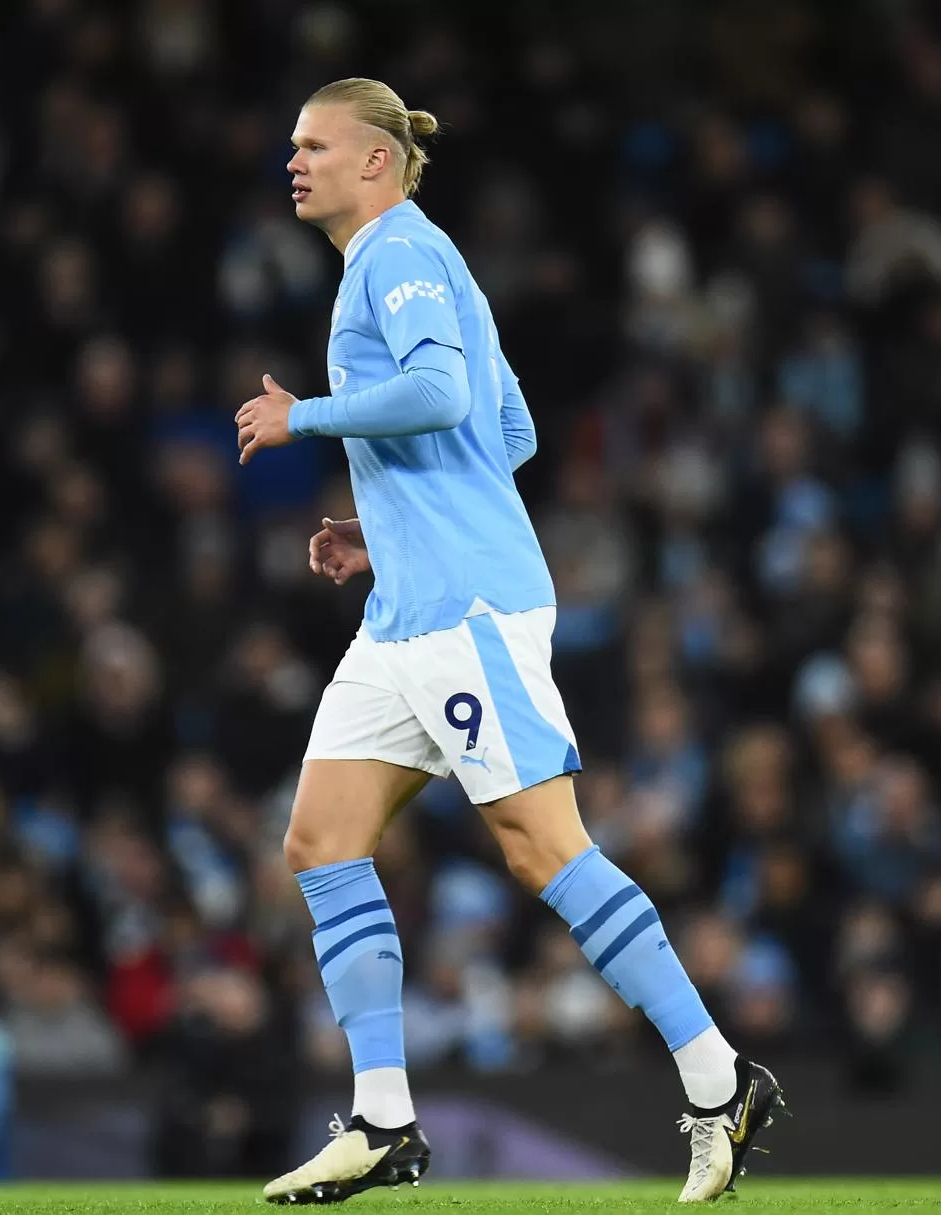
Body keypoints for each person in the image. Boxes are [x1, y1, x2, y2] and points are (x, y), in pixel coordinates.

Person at [234, 78, 783, 1205]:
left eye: (314, 145)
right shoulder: (413, 262)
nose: (294, 162)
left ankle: (717, 1076)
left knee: (542, 848)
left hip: (466, 617)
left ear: (375, 162)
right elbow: (512, 429)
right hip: (409, 613)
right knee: (321, 841)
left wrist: (307, 420)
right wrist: (389, 537)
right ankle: (384, 1120)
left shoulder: (396, 256)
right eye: (292, 146)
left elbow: (439, 393)